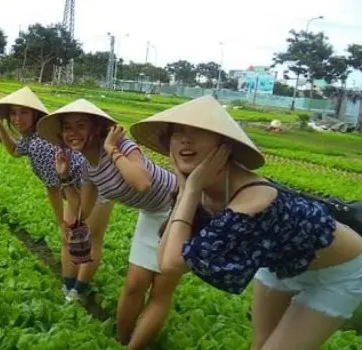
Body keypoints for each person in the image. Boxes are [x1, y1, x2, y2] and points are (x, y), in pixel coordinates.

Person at [129, 95, 362, 350]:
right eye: (178, 132)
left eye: (199, 131)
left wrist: (191, 189)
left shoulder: (253, 201)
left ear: (224, 145)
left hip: (340, 272)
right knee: (259, 343)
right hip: (281, 263)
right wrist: (187, 191)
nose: (186, 138)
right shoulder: (201, 189)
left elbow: (173, 264)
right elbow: (165, 260)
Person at [36, 99, 179, 349]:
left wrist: (113, 149)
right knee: (134, 285)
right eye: (68, 127)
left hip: (181, 207)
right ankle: (123, 341)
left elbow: (142, 182)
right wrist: (65, 176)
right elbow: (83, 209)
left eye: (81, 125)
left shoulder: (122, 145)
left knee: (159, 289)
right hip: (152, 211)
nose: (73, 133)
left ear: (97, 127)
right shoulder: (89, 167)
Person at [0, 87, 86, 301]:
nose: (17, 118)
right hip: (73, 189)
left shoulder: (40, 142)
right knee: (73, 238)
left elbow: (52, 186)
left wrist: (61, 220)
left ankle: (78, 289)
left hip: (85, 190)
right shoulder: (31, 137)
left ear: (35, 114)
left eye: (24, 113)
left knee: (78, 237)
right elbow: (14, 151)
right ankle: (71, 285)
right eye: (13, 113)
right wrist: (1, 128)